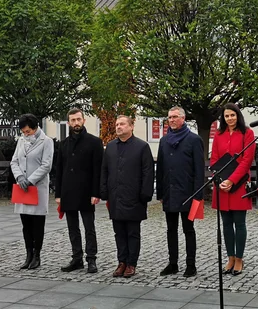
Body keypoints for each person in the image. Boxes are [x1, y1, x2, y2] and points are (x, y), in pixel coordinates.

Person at [100, 115, 154, 278]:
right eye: (117, 124)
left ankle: (131, 263)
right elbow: (104, 170)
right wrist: (104, 190)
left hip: (134, 197)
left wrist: (145, 194)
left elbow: (148, 172)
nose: (118, 127)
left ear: (131, 126)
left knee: (132, 232)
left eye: (122, 124)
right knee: (119, 232)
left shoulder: (142, 147)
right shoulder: (110, 147)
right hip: (116, 196)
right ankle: (121, 261)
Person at [155, 106, 204, 277]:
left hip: (187, 192)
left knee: (188, 229)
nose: (172, 120)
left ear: (183, 119)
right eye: (169, 117)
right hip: (169, 191)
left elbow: (199, 170)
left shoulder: (194, 140)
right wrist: (160, 192)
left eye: (175, 117)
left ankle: (191, 264)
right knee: (171, 229)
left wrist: (198, 195)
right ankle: (173, 262)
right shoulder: (164, 141)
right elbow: (160, 168)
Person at [54, 108, 103, 274]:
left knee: (89, 227)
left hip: (87, 191)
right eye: (73, 120)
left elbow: (98, 171)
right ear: (68, 123)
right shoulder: (64, 144)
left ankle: (91, 259)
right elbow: (59, 170)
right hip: (68, 192)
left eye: (78, 119)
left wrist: (97, 193)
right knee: (72, 228)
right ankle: (77, 258)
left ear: (84, 121)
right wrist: (58, 194)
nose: (76, 123)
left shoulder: (94, 142)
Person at [210, 103, 255, 275]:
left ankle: (239, 258)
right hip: (222, 186)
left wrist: (231, 180)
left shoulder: (247, 133)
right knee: (226, 224)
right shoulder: (219, 135)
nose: (230, 118)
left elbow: (246, 160)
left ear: (238, 116)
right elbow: (214, 160)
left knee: (239, 223)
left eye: (232, 115)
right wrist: (221, 180)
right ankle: (230, 257)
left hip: (238, 185)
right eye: (227, 116)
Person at [11, 114, 54, 270]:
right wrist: (20, 176)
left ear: (35, 128)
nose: (25, 134)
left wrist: (30, 180)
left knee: (37, 224)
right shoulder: (21, 141)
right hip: (23, 189)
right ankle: (28, 254)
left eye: (28, 131)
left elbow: (46, 165)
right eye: (23, 131)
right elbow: (14, 161)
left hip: (37, 188)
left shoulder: (46, 141)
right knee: (26, 224)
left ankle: (37, 255)